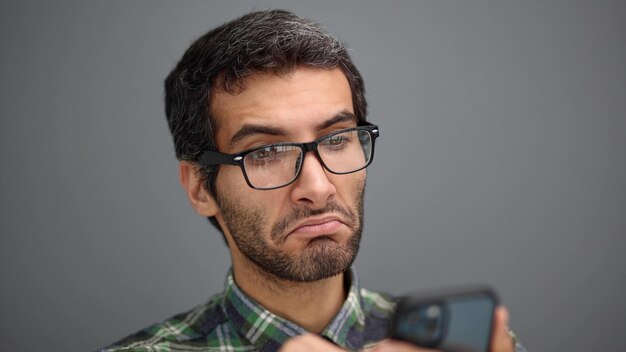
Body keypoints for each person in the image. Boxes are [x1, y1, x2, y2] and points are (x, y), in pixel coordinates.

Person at [100, 9, 525, 352]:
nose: (318, 187)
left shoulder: (468, 349)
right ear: (199, 187)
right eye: (266, 151)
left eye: (337, 139)